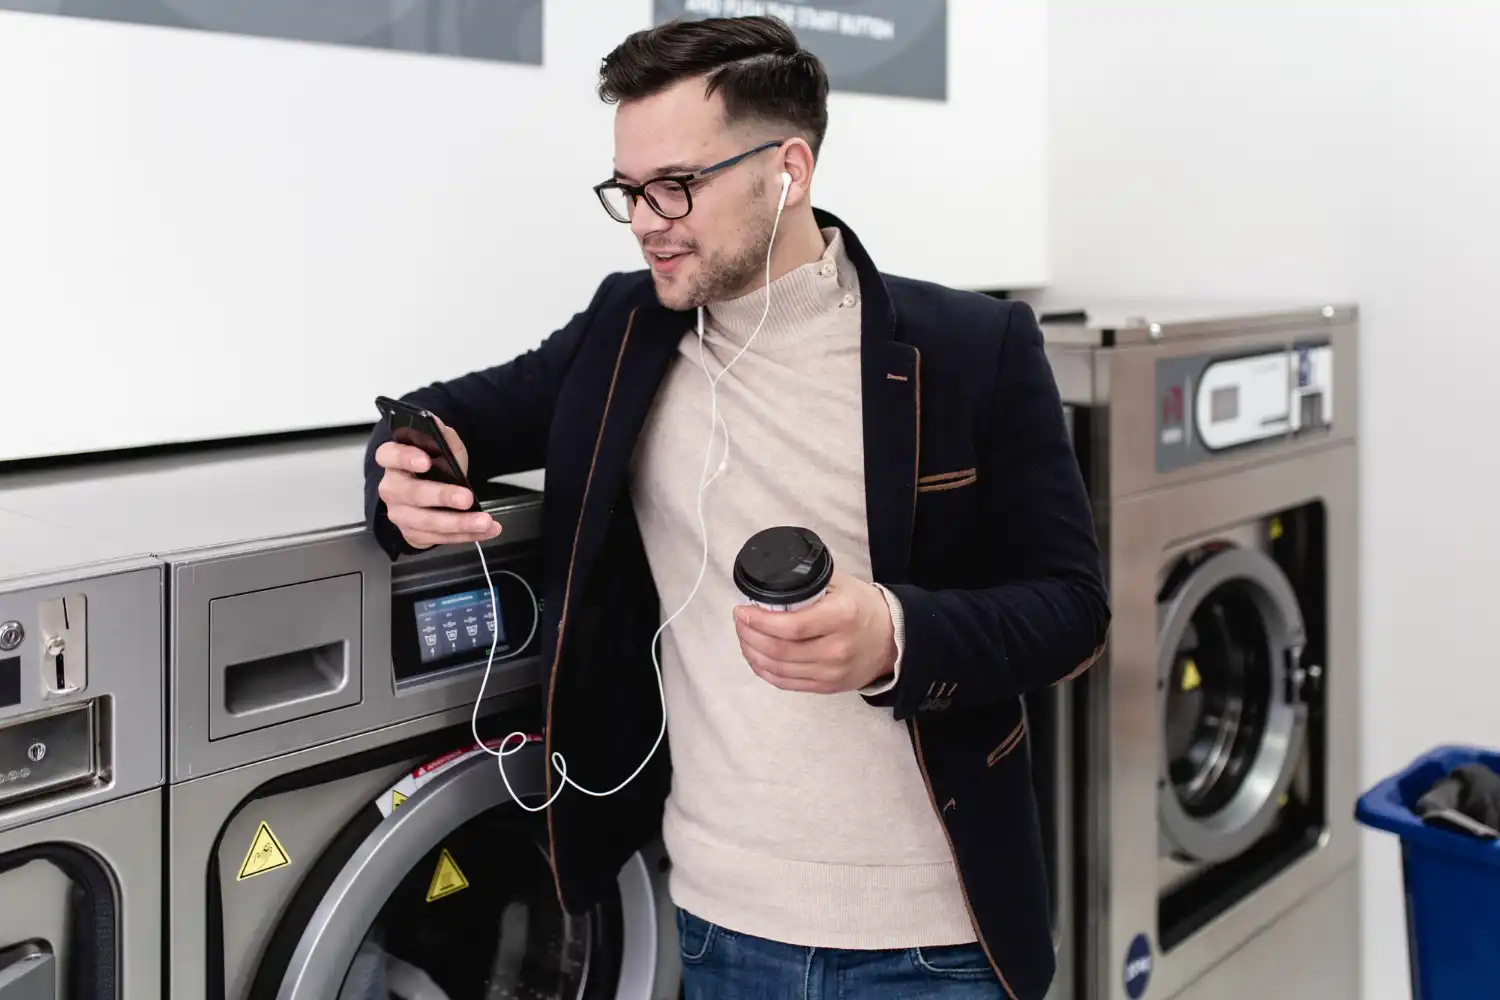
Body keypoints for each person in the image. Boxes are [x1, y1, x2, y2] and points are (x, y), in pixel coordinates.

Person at [364, 14, 1109, 1000]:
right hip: (716, 922)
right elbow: (448, 419)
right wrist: (404, 462)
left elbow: (1072, 610)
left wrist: (894, 634)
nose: (644, 219)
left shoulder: (973, 348)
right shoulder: (626, 330)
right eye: (627, 191)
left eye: (676, 185)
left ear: (788, 168)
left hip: (937, 938)